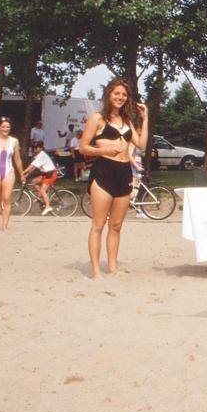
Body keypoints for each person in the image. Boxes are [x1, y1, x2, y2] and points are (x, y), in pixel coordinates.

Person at [80, 79, 148, 279]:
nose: (120, 97)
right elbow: (83, 147)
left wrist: (145, 119)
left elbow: (141, 144)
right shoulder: (97, 118)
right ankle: (95, 270)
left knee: (116, 226)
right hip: (103, 172)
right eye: (116, 93)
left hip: (124, 172)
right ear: (109, 94)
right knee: (98, 225)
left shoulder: (127, 121)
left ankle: (112, 267)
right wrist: (103, 150)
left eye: (124, 95)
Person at [22, 140, 58, 215]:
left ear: (41, 148)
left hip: (51, 174)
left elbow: (32, 166)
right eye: (33, 147)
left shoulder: (42, 155)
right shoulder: (39, 156)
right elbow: (34, 167)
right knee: (34, 182)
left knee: (42, 190)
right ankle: (41, 196)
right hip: (46, 174)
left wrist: (24, 171)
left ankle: (48, 206)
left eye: (36, 147)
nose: (34, 149)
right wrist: (27, 174)